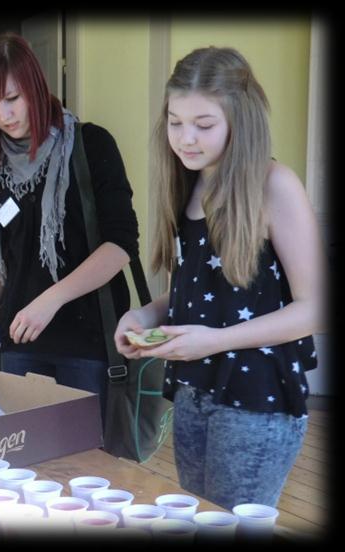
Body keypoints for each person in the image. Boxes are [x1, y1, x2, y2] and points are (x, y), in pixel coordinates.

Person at [114, 47, 327, 510]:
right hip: (193, 391)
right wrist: (142, 313)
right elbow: (199, 293)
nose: (186, 138)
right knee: (199, 521)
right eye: (175, 122)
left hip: (257, 401)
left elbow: (315, 309)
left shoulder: (276, 184)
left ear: (241, 119)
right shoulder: (188, 182)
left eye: (204, 125)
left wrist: (213, 341)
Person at [0, 33, 139, 420]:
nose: (4, 115)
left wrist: (51, 299)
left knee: (90, 470)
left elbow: (120, 245)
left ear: (35, 86)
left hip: (87, 345)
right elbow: (2, 257)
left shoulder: (91, 145)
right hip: (20, 343)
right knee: (28, 465)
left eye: (12, 98)